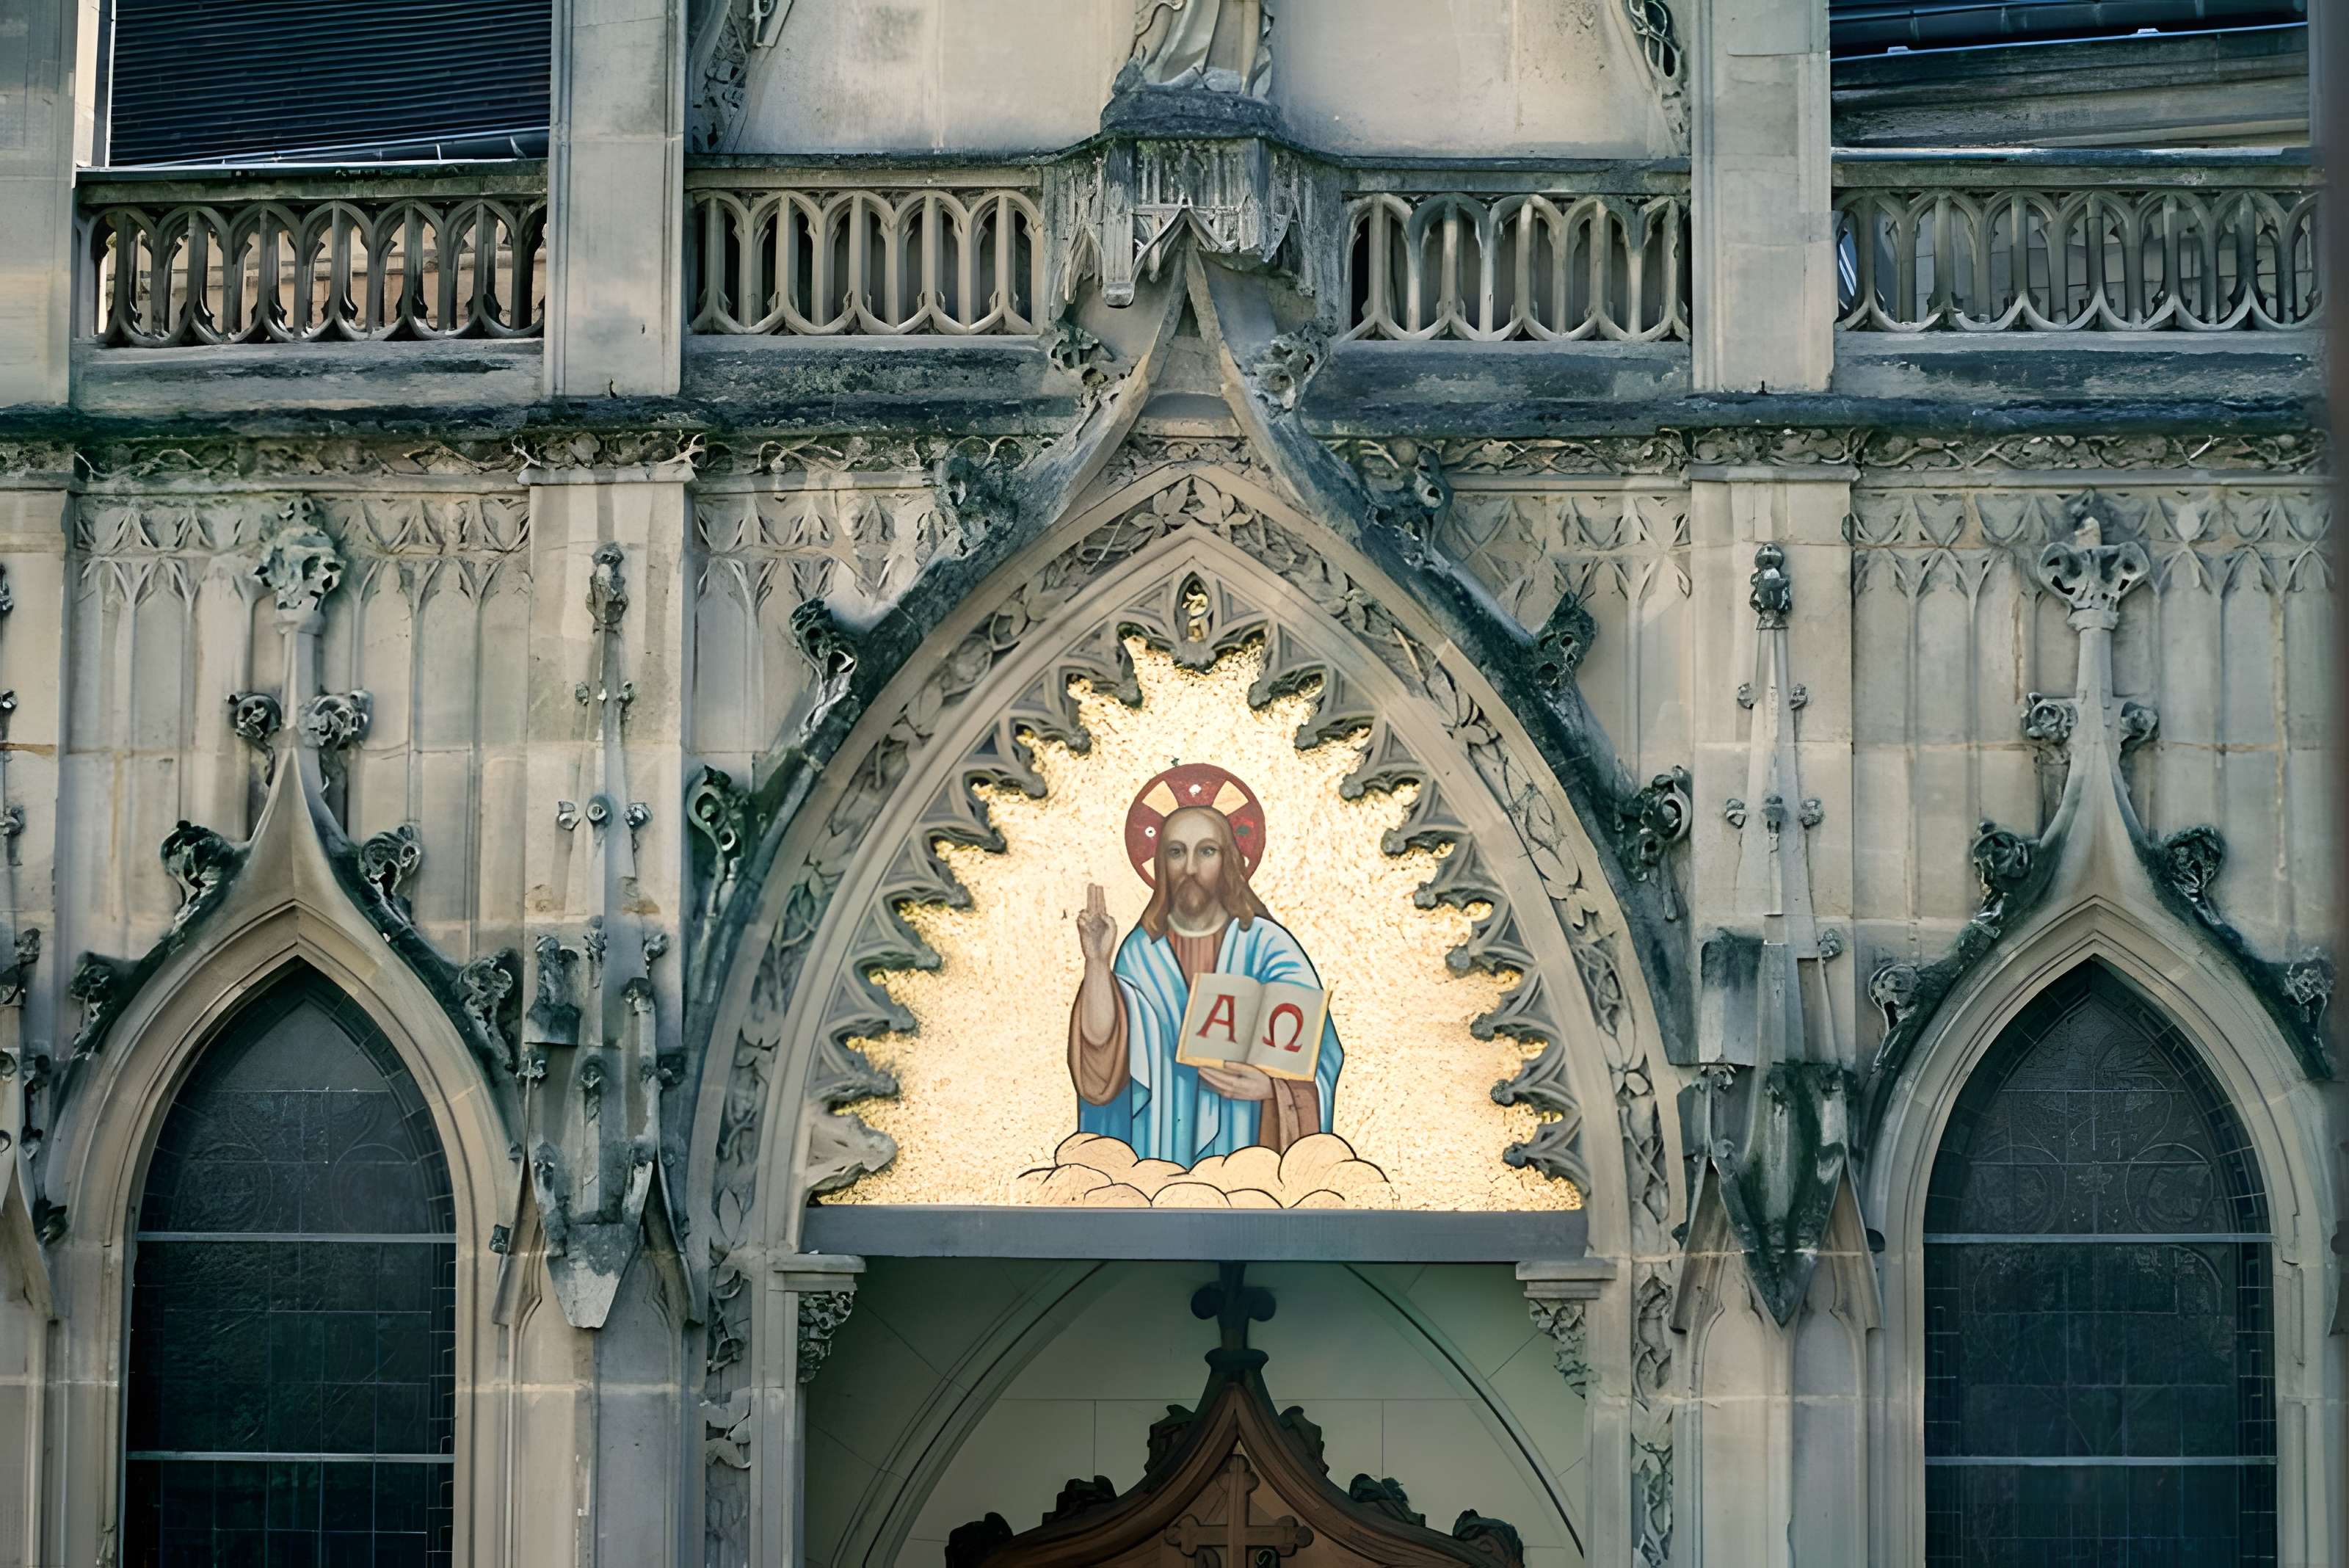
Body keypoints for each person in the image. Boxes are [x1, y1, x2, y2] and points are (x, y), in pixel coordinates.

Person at [1067, 764, 1340, 1163]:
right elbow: (1100, 1065)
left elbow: (1320, 1061)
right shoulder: (1141, 953)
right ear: (1161, 863)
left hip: (1248, 1150)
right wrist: (1096, 963)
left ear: (1229, 861)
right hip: (1156, 1153)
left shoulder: (1270, 948)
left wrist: (1273, 1089)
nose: (1190, 868)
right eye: (1176, 852)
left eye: (1206, 851)